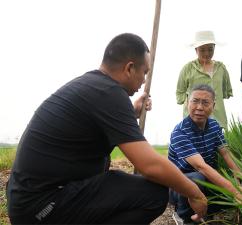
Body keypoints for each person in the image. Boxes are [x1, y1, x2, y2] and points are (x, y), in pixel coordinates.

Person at [6, 33, 208, 224]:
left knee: (114, 178)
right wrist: (194, 192)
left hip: (28, 202)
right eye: (144, 72)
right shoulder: (109, 93)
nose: (144, 80)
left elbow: (99, 122)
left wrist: (132, 113)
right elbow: (150, 165)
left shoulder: (94, 85)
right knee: (153, 194)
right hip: (40, 208)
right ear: (129, 68)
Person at [168, 84, 242, 224]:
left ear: (213, 106)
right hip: (180, 184)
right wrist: (236, 191)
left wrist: (241, 179)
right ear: (188, 101)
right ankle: (183, 216)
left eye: (205, 102)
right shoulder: (180, 132)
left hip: (205, 179)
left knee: (226, 187)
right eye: (195, 101)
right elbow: (201, 166)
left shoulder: (214, 126)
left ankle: (206, 212)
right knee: (197, 177)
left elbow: (226, 154)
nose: (199, 107)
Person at [176, 30, 233, 130]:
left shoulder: (221, 68)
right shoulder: (188, 69)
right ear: (196, 50)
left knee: (220, 145)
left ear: (214, 48)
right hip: (193, 123)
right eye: (202, 50)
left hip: (218, 122)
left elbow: (225, 93)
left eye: (210, 49)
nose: (207, 53)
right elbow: (180, 94)